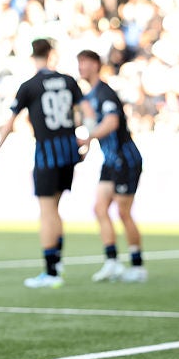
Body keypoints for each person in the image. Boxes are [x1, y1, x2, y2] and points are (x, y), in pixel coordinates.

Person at [0, 39, 85, 289]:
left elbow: (9, 124)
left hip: (46, 154)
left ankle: (51, 271)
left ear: (33, 56)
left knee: (47, 211)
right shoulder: (69, 81)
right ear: (51, 54)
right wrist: (86, 143)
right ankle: (58, 262)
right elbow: (86, 112)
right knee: (56, 207)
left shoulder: (29, 86)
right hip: (69, 153)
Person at [76, 49, 147, 283]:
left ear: (96, 65)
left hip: (125, 158)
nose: (81, 67)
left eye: (85, 62)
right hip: (110, 160)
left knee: (123, 212)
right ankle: (112, 262)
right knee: (99, 208)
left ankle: (137, 267)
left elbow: (112, 122)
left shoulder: (105, 92)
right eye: (79, 63)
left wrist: (88, 138)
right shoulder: (91, 96)